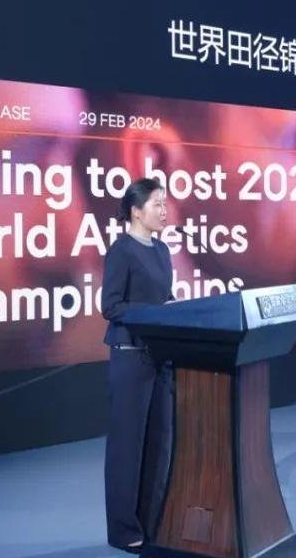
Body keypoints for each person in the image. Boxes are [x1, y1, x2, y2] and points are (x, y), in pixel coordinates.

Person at [101, 177, 176, 554]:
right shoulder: (121, 251)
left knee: (159, 442)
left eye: (165, 203)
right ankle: (123, 529)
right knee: (127, 448)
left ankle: (150, 521)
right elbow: (111, 306)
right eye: (157, 204)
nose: (164, 210)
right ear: (135, 211)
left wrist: (176, 310)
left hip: (161, 356)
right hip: (130, 356)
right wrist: (155, 313)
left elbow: (166, 297)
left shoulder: (162, 250)